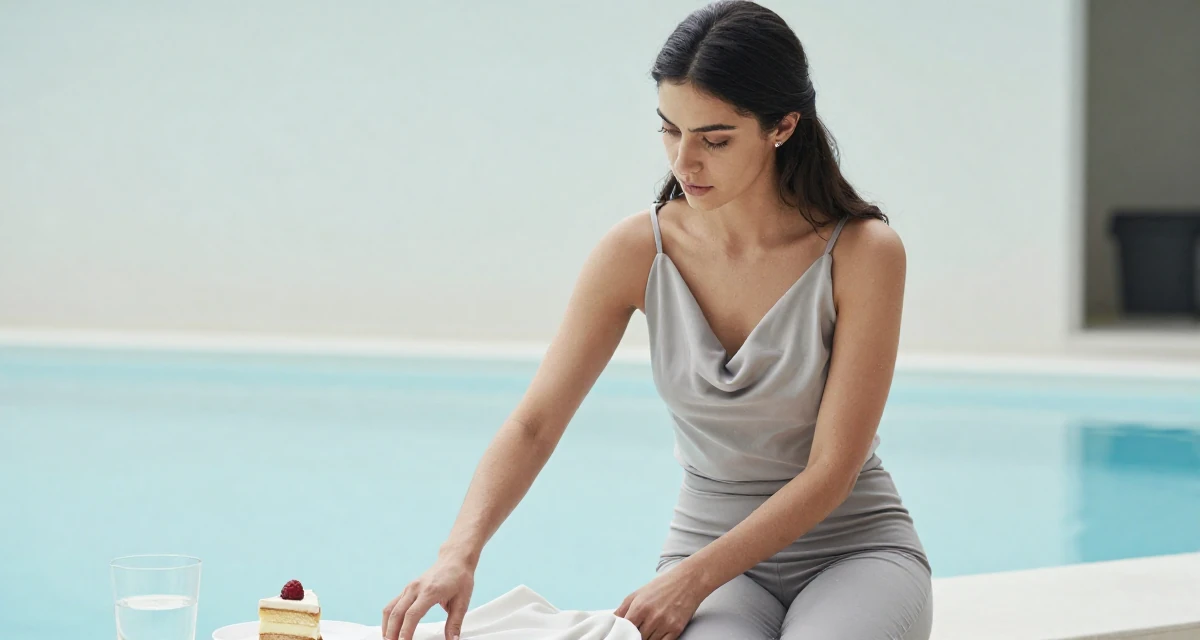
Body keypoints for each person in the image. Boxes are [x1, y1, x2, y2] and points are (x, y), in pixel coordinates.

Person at [382, 1, 931, 638]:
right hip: (710, 555)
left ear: (782, 126)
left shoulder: (863, 254)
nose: (684, 161)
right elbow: (535, 422)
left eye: (715, 139)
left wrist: (692, 579)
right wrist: (458, 554)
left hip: (853, 550)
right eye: (670, 131)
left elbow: (832, 471)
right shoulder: (634, 251)